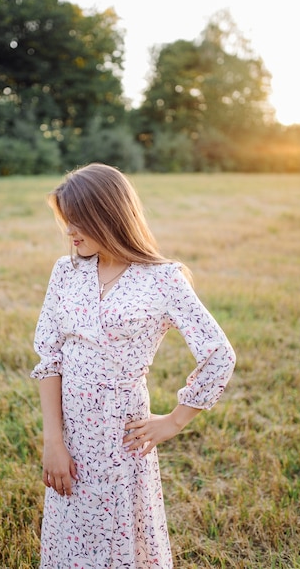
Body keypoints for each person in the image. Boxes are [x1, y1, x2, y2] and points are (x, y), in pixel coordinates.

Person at [31, 163, 236, 568]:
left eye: (77, 222)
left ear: (108, 215)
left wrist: (174, 421)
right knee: (71, 533)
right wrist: (53, 442)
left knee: (120, 539)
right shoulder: (66, 272)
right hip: (71, 430)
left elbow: (218, 354)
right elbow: (50, 359)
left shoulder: (162, 279)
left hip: (122, 434)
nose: (69, 232)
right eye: (65, 222)